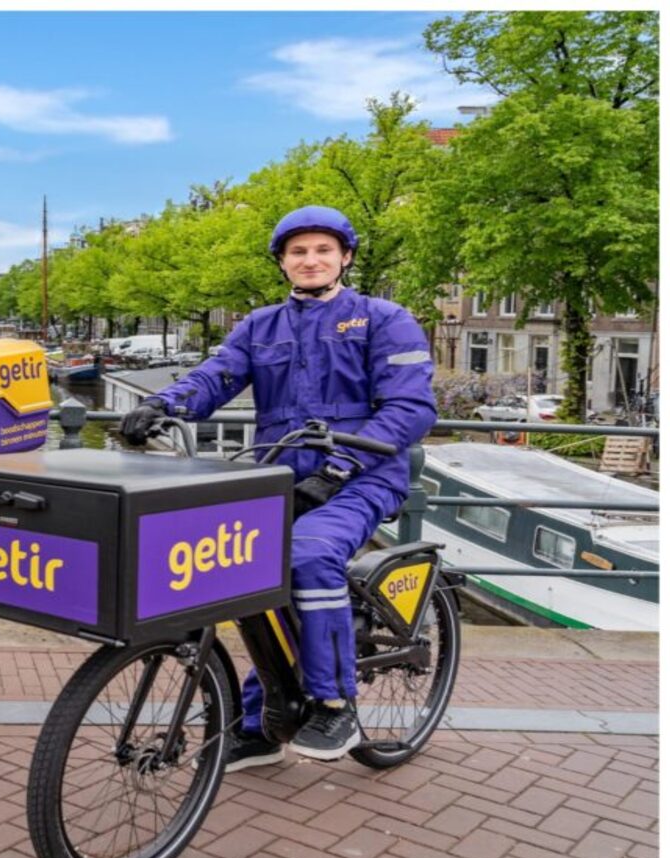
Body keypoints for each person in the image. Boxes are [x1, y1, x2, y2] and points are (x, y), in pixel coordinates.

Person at [120, 205, 436, 767]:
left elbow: (410, 408)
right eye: (298, 252)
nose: (310, 260)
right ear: (283, 263)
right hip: (280, 471)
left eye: (322, 250)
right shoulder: (260, 325)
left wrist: (339, 467)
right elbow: (215, 377)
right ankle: (261, 723)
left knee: (308, 555)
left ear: (345, 257)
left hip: (363, 473)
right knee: (238, 572)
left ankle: (335, 703)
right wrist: (161, 404)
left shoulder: (384, 319)